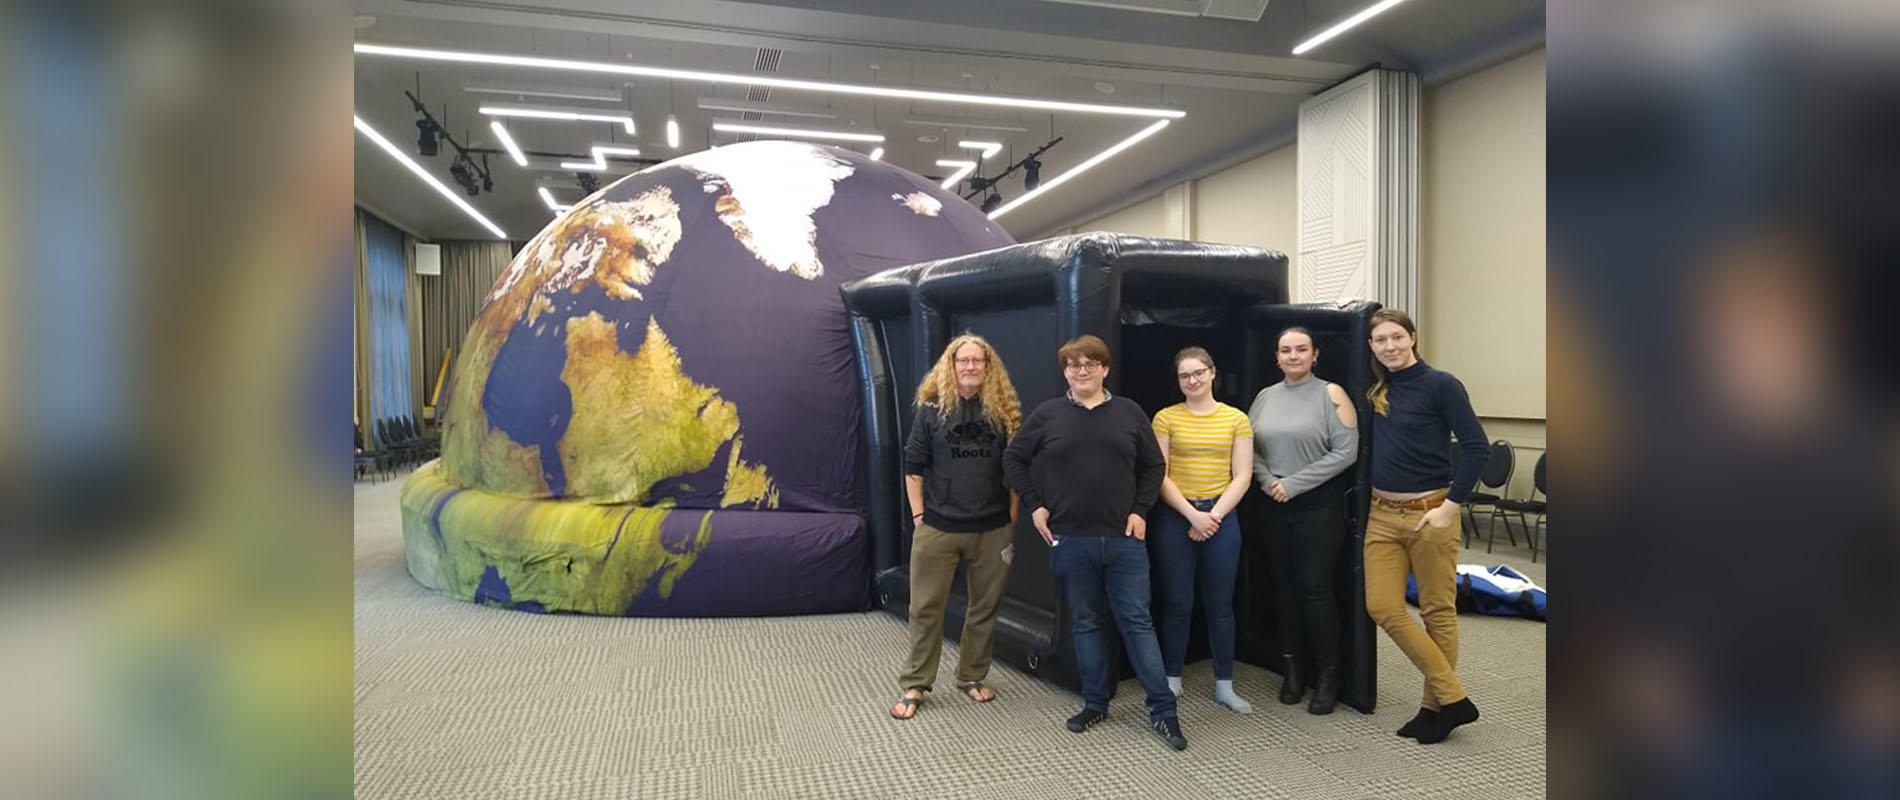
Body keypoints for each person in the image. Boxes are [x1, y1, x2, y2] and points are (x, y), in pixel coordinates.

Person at [1002, 334, 1185, 751]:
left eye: (1090, 363)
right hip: (1070, 540)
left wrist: (1140, 510)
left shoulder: (1128, 412)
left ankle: (1163, 711)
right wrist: (1035, 504)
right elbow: (1014, 458)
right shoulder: (1049, 415)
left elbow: (1154, 465)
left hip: (1124, 540)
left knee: (1137, 624)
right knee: (1086, 624)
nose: (1080, 370)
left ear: (1105, 369)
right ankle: (1095, 702)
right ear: (1065, 371)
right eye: (1072, 365)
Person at [1362, 308, 1487, 743]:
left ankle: (1434, 708)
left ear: (1413, 338)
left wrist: (1452, 506)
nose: (1390, 346)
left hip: (1431, 513)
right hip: (1382, 515)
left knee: (1437, 612)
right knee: (1382, 606)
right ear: (1372, 347)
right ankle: (1454, 697)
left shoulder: (1441, 384)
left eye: (1397, 337)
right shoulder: (1378, 389)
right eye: (1380, 340)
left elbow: (1476, 448)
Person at [889, 334, 1022, 720]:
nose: (969, 367)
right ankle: (916, 683)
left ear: (987, 367)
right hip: (939, 527)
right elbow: (912, 469)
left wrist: (1012, 514)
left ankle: (971, 676)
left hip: (993, 529)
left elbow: (1016, 469)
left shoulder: (1005, 412)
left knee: (984, 607)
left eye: (977, 361)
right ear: (950, 366)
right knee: (926, 608)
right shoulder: (931, 410)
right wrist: (918, 518)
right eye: (962, 361)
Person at [1248, 327, 1359, 715]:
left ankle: (1328, 676)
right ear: (1276, 357)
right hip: (1272, 503)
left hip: (1318, 507)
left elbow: (1345, 453)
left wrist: (1293, 484)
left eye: (1301, 349)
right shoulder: (1264, 397)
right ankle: (1292, 671)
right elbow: (1248, 448)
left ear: (1315, 355)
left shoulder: (1332, 394)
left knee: (1314, 589)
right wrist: (1267, 482)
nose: (1293, 356)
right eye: (1285, 350)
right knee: (1283, 590)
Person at [1149, 347, 1254, 714]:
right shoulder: (1165, 418)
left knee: (1221, 605)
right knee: (1177, 603)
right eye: (1184, 376)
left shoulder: (1236, 419)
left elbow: (1242, 475)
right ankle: (1172, 679)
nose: (1192, 380)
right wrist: (1192, 515)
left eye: (1198, 373)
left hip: (1222, 518)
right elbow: (1158, 474)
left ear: (1212, 373)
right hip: (1176, 516)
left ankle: (1224, 684)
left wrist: (1213, 517)